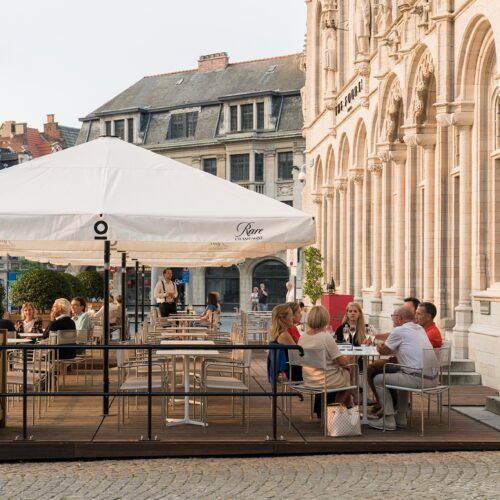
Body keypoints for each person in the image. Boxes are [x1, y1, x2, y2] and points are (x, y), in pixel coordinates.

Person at [369, 306, 435, 431]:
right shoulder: (420, 328)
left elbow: (385, 350)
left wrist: (378, 347)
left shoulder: (399, 330)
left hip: (418, 379)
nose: (392, 320)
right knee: (402, 372)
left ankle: (388, 419)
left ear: (399, 318)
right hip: (433, 378)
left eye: (393, 317)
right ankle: (401, 418)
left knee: (378, 379)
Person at [299, 305, 353, 417]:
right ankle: (333, 413)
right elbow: (342, 361)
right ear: (325, 319)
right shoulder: (325, 337)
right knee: (348, 380)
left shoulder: (303, 337)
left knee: (345, 373)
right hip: (325, 379)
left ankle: (347, 409)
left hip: (309, 379)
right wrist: (349, 356)